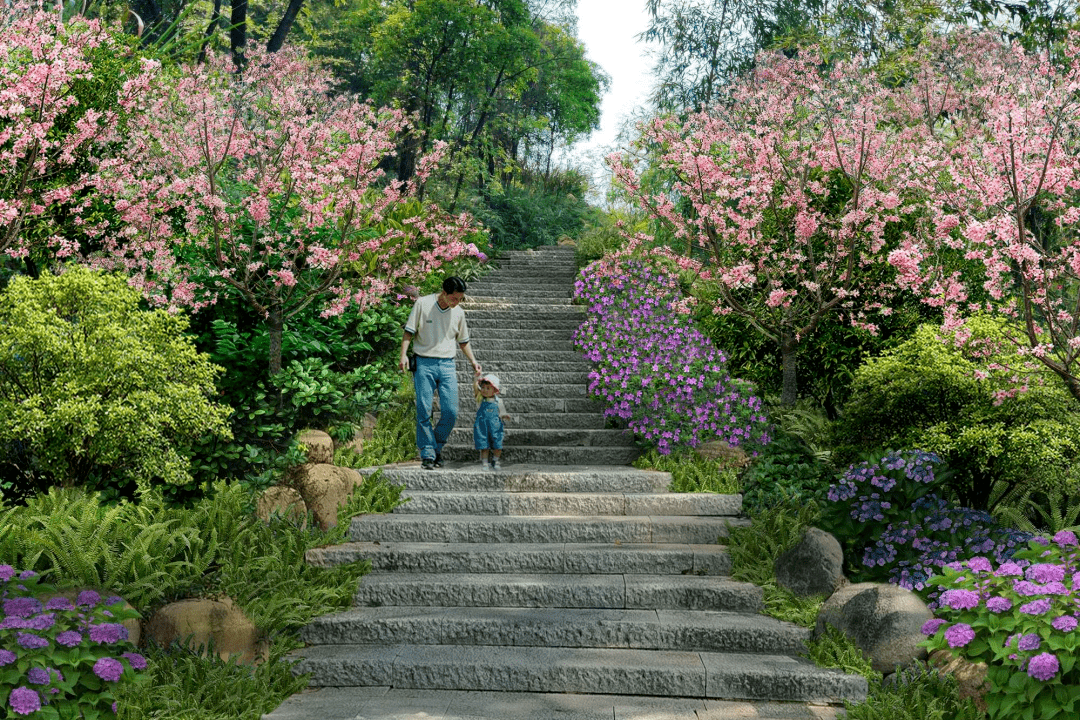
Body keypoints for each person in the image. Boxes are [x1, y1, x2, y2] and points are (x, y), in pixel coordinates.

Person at [400, 276, 481, 470]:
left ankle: (436, 445)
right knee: (424, 410)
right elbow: (409, 332)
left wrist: (473, 361)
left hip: (447, 365)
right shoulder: (423, 304)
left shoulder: (459, 313)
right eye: (454, 298)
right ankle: (428, 453)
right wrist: (403, 355)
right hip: (423, 363)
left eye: (460, 299)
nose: (457, 302)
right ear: (444, 293)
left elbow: (463, 341)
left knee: (451, 411)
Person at [473, 372, 510, 471]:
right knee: (484, 445)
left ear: (494, 391)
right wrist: (476, 378)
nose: (484, 390)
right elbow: (476, 389)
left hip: (496, 426)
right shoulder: (480, 399)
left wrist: (505, 416)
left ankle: (495, 460)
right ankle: (485, 463)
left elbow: (502, 412)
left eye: (488, 388)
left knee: (497, 445)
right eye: (483, 387)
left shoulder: (499, 401)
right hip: (482, 426)